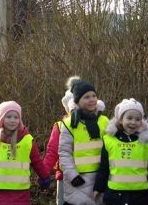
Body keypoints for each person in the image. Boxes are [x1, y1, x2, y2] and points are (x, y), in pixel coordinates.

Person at [42, 77, 107, 205]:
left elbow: (111, 149)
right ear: (77, 102)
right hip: (77, 180)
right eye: (87, 97)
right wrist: (72, 176)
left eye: (94, 96)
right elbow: (60, 152)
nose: (92, 99)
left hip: (100, 179)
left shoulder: (104, 121)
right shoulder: (67, 125)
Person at [93, 98, 148, 205]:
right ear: (120, 119)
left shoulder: (147, 142)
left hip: (141, 196)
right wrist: (98, 188)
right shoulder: (109, 140)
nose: (133, 122)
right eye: (129, 118)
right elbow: (104, 168)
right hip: (114, 196)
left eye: (138, 119)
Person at [0, 100, 49, 205]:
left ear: (20, 119)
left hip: (21, 194)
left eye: (16, 117)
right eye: (9, 117)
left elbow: (37, 161)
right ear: (1, 119)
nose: (12, 120)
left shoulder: (27, 140)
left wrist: (45, 177)